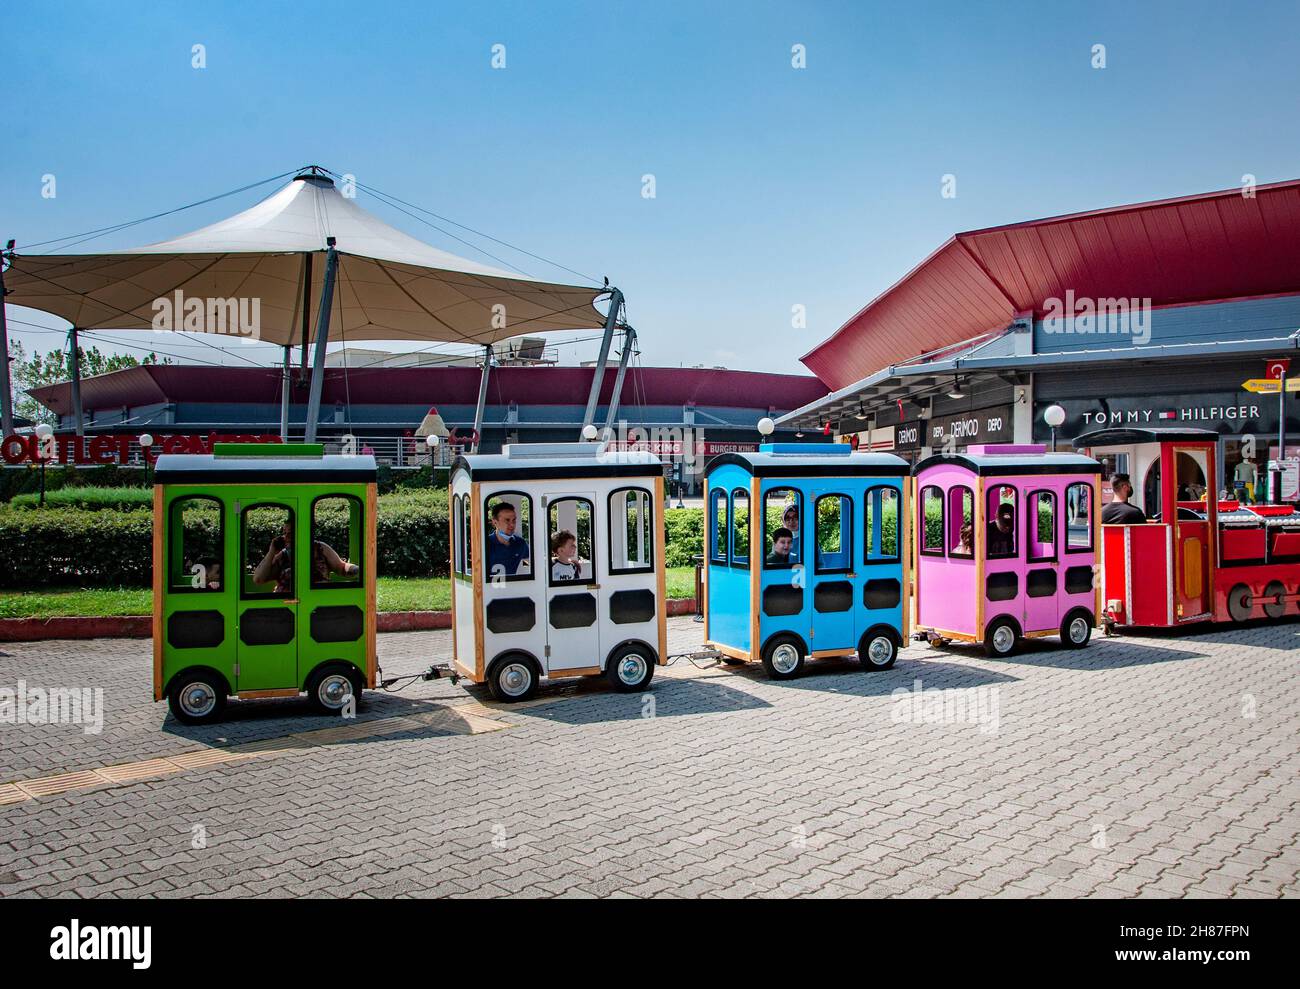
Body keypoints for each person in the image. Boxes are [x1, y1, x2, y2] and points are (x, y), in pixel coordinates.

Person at [253, 521, 358, 593]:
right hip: (287, 605)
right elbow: (258, 579)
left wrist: (355, 569)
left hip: (318, 602)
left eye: (291, 533)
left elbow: (341, 567)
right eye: (285, 533)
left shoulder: (320, 548)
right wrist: (272, 552)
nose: (286, 537)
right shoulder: (282, 556)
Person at [486, 502, 530, 577]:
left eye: (514, 520)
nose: (512, 524)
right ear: (495, 522)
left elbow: (527, 563)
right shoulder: (485, 544)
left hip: (517, 587)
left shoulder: (521, 543)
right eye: (507, 520)